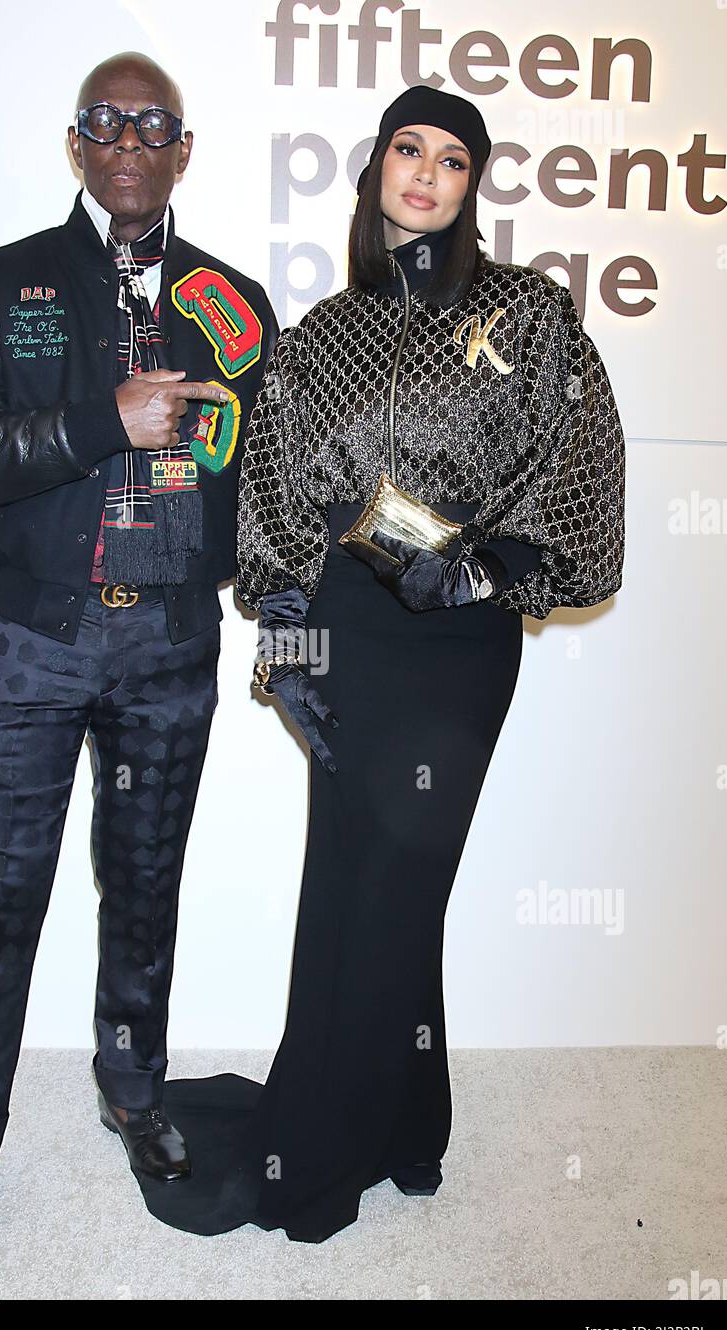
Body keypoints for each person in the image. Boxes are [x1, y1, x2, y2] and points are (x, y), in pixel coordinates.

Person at [134, 85, 626, 1243]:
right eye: (409, 149)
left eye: (452, 160)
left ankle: (318, 1152)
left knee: (401, 884)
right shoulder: (316, 340)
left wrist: (489, 571)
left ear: (470, 187)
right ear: (377, 170)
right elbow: (277, 514)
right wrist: (293, 654)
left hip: (457, 642)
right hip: (349, 631)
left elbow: (585, 482)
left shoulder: (533, 314)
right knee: (353, 879)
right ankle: (410, 1120)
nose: (426, 174)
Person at [0, 51, 279, 1262]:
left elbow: (264, 487)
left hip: (170, 646)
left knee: (145, 892)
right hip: (33, 641)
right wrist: (98, 424)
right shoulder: (2, 281)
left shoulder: (234, 305)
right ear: (77, 145)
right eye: (106, 121)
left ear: (184, 149)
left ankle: (134, 1094)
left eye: (155, 123)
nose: (129, 139)